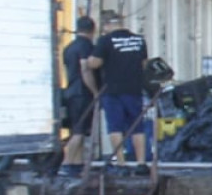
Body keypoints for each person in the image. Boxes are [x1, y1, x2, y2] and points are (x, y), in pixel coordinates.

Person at [83, 11, 150, 170]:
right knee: (137, 126)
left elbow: (95, 63)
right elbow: (144, 64)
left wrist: (87, 60)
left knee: (115, 127)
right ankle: (141, 163)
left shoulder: (105, 41)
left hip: (112, 91)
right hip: (134, 89)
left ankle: (121, 163)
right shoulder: (139, 40)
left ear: (106, 25)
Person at [59, 15, 97, 176]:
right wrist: (95, 91)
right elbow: (85, 69)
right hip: (83, 93)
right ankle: (67, 163)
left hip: (71, 92)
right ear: (92, 31)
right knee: (79, 131)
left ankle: (77, 163)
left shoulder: (68, 47)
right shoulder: (87, 46)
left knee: (78, 129)